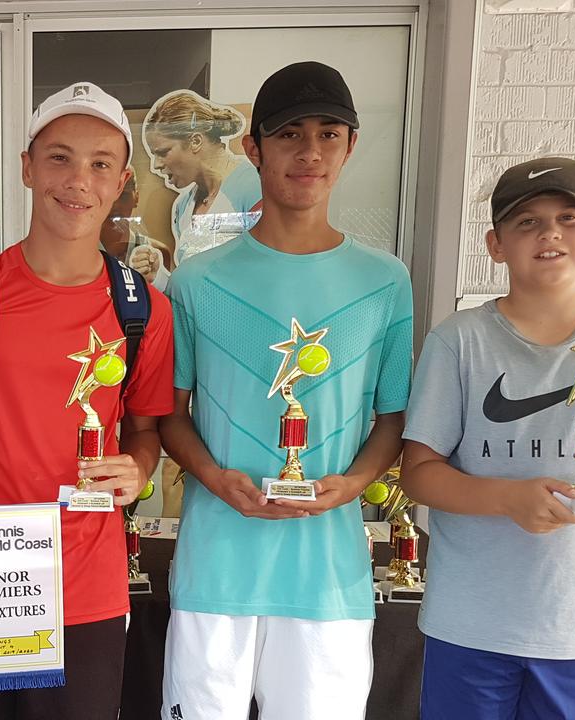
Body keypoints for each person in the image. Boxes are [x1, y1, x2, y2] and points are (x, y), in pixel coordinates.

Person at [0, 81, 174, 719]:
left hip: (88, 592)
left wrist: (139, 467)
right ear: (26, 167)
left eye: (100, 163)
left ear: (122, 180)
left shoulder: (143, 311)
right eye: (59, 157)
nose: (79, 179)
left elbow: (148, 431)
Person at [158, 62, 413, 720]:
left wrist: (351, 485)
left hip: (328, 581)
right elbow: (170, 416)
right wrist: (216, 479)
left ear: (350, 147)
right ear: (253, 148)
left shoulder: (386, 282)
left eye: (330, 134)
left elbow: (391, 419)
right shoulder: (194, 282)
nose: (310, 152)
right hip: (216, 570)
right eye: (290, 134)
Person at [399, 157, 575, 720]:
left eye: (569, 218)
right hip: (470, 621)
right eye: (526, 221)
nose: (550, 232)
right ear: (495, 244)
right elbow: (418, 472)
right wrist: (508, 499)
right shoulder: (459, 341)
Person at [142, 89, 262, 264]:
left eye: (163, 152)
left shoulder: (255, 186)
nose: (156, 165)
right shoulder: (182, 206)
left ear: (196, 141)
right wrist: (158, 277)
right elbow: (191, 281)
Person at [100, 172, 172, 291]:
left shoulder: (157, 251)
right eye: (109, 196)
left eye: (123, 195)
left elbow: (165, 302)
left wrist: (156, 280)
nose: (115, 205)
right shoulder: (82, 251)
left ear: (136, 197)